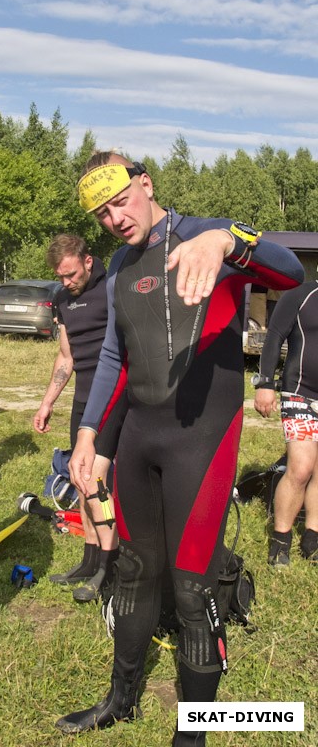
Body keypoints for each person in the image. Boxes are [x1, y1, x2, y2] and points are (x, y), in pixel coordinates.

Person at [56, 153, 303, 745]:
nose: (114, 218)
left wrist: (227, 241)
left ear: (145, 184)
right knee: (135, 572)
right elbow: (116, 357)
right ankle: (121, 699)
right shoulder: (118, 263)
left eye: (120, 201)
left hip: (203, 439)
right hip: (141, 436)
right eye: (101, 211)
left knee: (192, 587)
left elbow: (290, 271)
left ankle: (194, 731)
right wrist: (92, 434)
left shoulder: (206, 238)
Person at [33, 234, 126, 603]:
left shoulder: (112, 288)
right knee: (77, 473)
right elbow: (66, 357)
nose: (67, 282)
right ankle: (89, 558)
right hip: (84, 398)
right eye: (61, 277)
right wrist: (46, 403)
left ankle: (110, 563)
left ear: (88, 261)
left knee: (95, 479)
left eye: (71, 274)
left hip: (115, 395)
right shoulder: (61, 298)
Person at [253, 279, 318, 566]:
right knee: (301, 468)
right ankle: (281, 539)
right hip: (301, 392)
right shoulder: (300, 294)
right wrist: (265, 383)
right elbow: (274, 336)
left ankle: (312, 538)